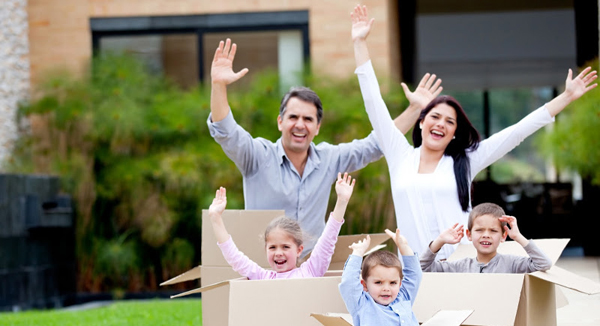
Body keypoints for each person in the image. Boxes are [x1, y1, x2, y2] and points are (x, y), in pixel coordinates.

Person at [351, 5, 598, 260]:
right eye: (434, 117)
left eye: (449, 122)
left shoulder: (465, 161)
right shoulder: (399, 156)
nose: (440, 124)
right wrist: (359, 42)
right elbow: (373, 103)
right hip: (414, 270)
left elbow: (517, 132)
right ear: (421, 122)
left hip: (462, 267)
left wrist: (566, 97)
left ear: (455, 133)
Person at [207, 38, 443, 255]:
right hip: (265, 267)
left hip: (312, 269)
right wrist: (218, 84)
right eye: (293, 117)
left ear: (317, 127)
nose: (300, 125)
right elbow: (226, 131)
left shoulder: (329, 159)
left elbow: (375, 144)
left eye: (308, 119)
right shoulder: (257, 156)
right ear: (280, 122)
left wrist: (415, 109)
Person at [208, 172, 355, 279]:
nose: (278, 253)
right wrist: (216, 218)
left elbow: (328, 240)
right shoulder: (263, 278)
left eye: (285, 247)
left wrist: (341, 201)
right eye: (272, 247)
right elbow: (235, 258)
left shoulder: (311, 271)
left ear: (299, 250)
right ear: (265, 249)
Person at [338, 229, 423, 326]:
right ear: (364, 285)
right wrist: (358, 253)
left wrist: (404, 247)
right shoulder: (362, 305)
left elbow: (414, 275)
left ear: (400, 284)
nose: (386, 288)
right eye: (378, 282)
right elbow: (348, 283)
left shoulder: (403, 298)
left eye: (393, 283)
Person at [420, 202, 552, 273]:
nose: (486, 235)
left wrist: (518, 237)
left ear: (503, 235)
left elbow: (544, 264)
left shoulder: (512, 264)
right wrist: (440, 241)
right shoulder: (459, 267)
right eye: (479, 230)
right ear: (469, 235)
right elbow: (422, 268)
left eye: (493, 231)